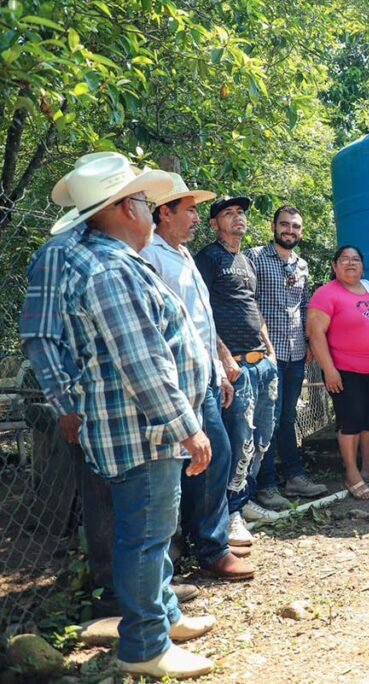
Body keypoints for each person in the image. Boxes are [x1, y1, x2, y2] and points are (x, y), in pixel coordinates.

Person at [54, 153, 216, 678]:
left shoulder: (112, 262)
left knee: (151, 529)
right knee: (145, 537)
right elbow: (143, 363)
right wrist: (188, 427)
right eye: (147, 201)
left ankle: (163, 618)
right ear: (127, 207)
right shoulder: (109, 271)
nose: (151, 210)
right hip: (143, 432)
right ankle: (145, 646)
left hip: (141, 430)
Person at [20, 153, 201, 619]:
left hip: (136, 412)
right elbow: (41, 336)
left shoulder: (114, 250)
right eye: (138, 197)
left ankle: (152, 602)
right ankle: (122, 602)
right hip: (104, 408)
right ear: (118, 203)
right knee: (121, 515)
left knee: (145, 517)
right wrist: (66, 403)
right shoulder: (64, 254)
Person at [141, 175, 255, 581]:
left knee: (210, 456)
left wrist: (219, 365)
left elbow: (200, 322)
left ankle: (201, 543)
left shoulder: (183, 255)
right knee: (205, 455)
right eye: (188, 210)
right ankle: (204, 548)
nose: (194, 217)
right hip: (173, 383)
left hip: (203, 376)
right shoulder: (148, 256)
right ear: (164, 213)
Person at [194, 197, 280, 545]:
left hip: (263, 363)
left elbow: (253, 307)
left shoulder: (245, 261)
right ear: (214, 224)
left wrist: (270, 351)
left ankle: (246, 500)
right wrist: (226, 359)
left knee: (261, 439)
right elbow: (200, 312)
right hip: (235, 366)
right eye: (228, 214)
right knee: (238, 440)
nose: (238, 218)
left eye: (241, 213)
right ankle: (230, 514)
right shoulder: (207, 258)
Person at [245, 206, 328, 509]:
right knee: (267, 419)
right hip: (267, 355)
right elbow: (249, 304)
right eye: (284, 225)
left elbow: (304, 306)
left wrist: (308, 341)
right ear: (273, 226)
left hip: (295, 354)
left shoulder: (302, 265)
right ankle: (265, 485)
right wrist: (263, 345)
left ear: (300, 231)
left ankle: (294, 478)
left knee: (288, 417)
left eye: (295, 226)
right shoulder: (254, 258)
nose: (289, 231)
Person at [307, 246, 369, 500]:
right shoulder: (326, 294)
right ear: (334, 266)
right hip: (344, 370)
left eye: (355, 259)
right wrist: (329, 370)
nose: (350, 263)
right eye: (344, 259)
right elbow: (315, 334)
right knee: (352, 419)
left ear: (363, 266)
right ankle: (352, 474)